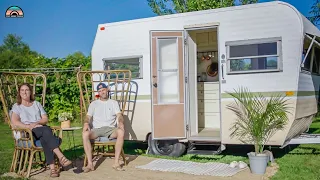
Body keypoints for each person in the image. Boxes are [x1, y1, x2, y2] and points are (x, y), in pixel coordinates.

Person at [10, 83, 72, 178]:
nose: (24, 92)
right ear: (19, 92)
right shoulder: (17, 106)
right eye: (22, 90)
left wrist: (36, 123)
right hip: (28, 133)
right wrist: (28, 126)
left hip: (40, 130)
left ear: (30, 92)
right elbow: (15, 121)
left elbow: (45, 119)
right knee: (47, 131)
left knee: (45, 138)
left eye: (27, 90)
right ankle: (61, 157)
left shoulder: (36, 104)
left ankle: (52, 170)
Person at [82, 82, 125, 172]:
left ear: (107, 90)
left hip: (110, 129)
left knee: (121, 132)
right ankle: (90, 164)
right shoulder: (94, 104)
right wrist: (86, 123)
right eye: (100, 91)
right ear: (98, 93)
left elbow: (119, 115)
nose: (102, 92)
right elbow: (88, 117)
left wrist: (120, 122)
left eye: (103, 90)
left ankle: (116, 163)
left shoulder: (113, 103)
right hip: (97, 129)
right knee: (85, 134)